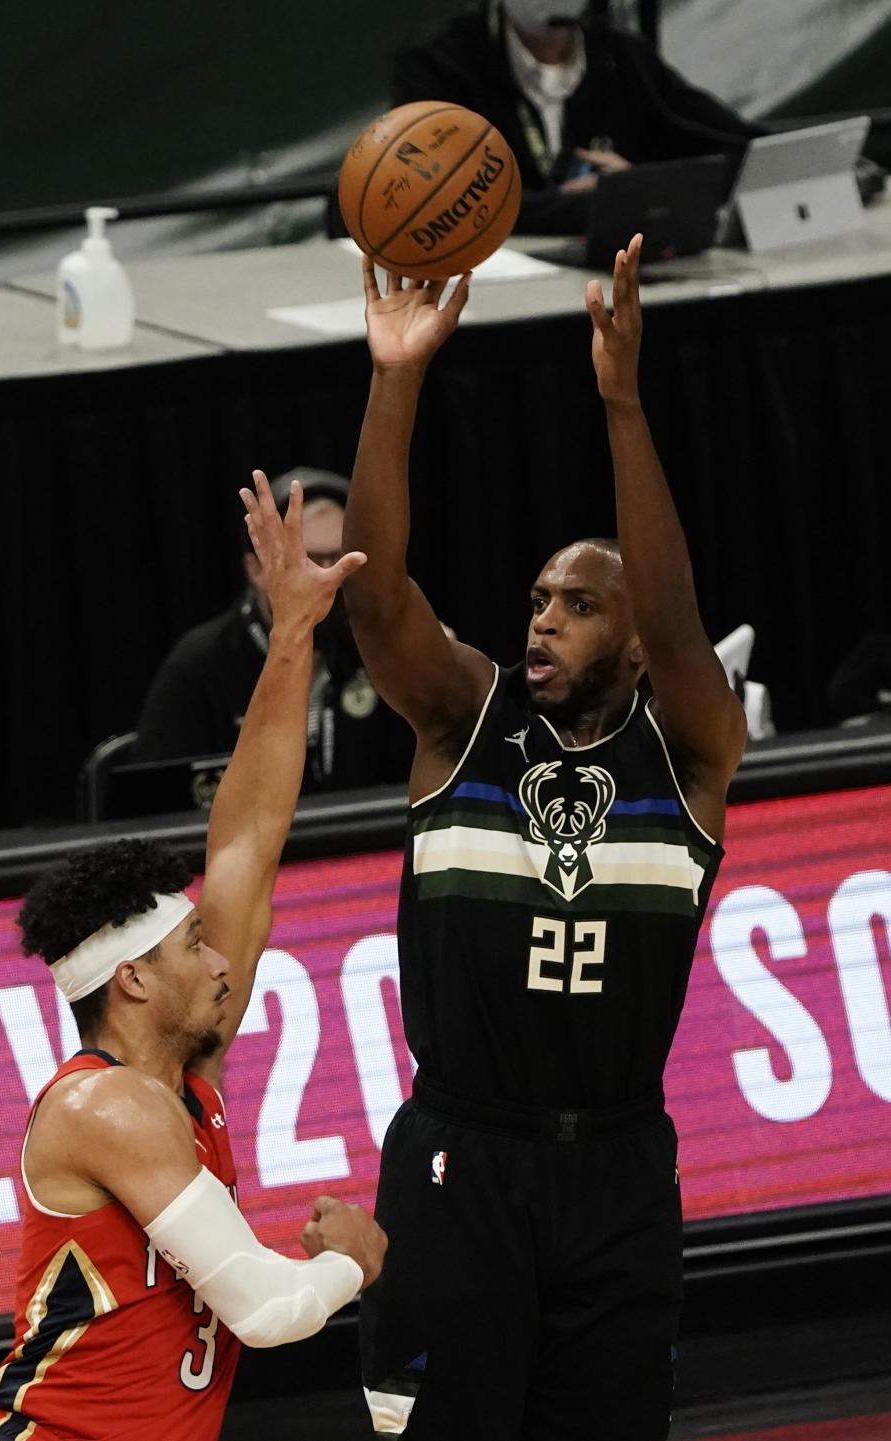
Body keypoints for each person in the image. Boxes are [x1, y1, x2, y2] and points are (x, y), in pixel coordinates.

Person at [341, 240, 746, 1438]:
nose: (545, 621)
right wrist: (396, 379)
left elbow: (674, 614)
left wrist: (622, 402)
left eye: (578, 605)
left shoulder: (690, 755)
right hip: (461, 1153)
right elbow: (375, 596)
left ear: (632, 645)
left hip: (618, 1166)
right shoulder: (467, 718)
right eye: (537, 601)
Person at [0, 472, 387, 1441]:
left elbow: (246, 839)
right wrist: (358, 1258)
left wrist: (290, 636)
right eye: (195, 942)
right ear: (135, 978)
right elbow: (269, 1310)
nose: (226, 959)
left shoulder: (186, 1069)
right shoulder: (102, 1106)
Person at [133, 466, 413, 792]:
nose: (326, 578)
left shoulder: (378, 650)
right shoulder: (200, 666)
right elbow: (155, 813)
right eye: (306, 560)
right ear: (256, 570)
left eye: (339, 559)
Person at [392, 0, 764, 236]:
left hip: (613, 286)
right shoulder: (439, 62)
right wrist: (599, 203)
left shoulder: (623, 57)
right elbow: (439, 204)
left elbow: (745, 152)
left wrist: (636, 186)